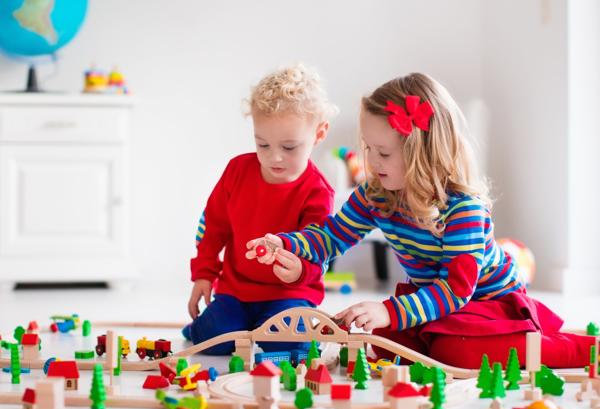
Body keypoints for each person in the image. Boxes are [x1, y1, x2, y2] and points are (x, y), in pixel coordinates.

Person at [247, 72, 594, 368]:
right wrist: (285, 243)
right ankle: (431, 338)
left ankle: (581, 348)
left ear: (422, 154)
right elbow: (331, 237)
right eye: (368, 148)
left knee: (454, 351)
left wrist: (389, 310)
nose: (371, 161)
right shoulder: (377, 194)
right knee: (381, 341)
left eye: (383, 153)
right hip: (437, 302)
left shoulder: (463, 209)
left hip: (484, 305)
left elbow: (457, 289)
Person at [185, 63, 336, 355]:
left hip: (290, 293)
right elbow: (213, 227)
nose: (274, 157)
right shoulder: (237, 171)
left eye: (289, 147)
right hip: (236, 290)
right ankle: (211, 325)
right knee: (214, 340)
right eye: (262, 144)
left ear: (319, 134)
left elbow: (321, 251)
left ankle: (265, 328)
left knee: (287, 343)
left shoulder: (318, 192)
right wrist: (204, 274)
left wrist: (299, 272)